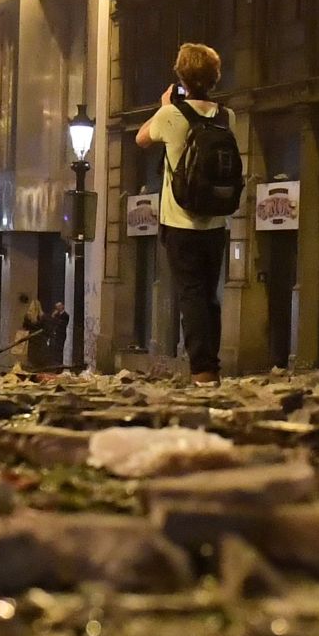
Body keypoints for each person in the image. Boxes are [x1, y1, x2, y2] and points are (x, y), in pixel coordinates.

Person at [134, 41, 231, 385]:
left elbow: (141, 139)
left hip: (180, 221)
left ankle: (201, 371)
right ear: (214, 77)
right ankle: (211, 367)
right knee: (209, 295)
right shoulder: (225, 115)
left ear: (181, 76)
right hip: (216, 221)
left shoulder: (170, 115)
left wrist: (164, 106)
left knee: (190, 294)